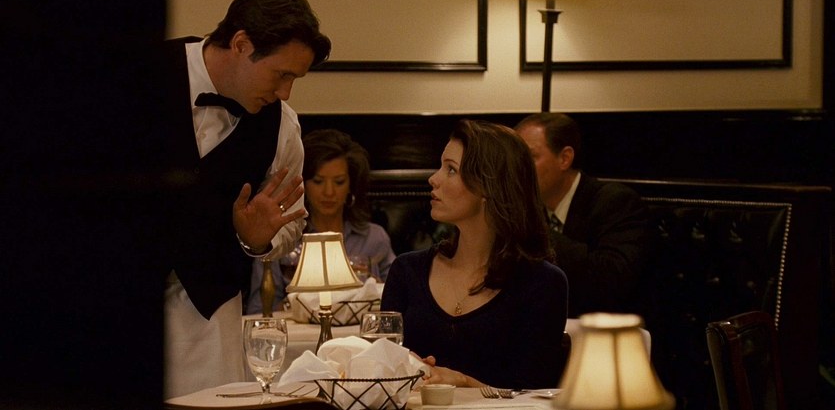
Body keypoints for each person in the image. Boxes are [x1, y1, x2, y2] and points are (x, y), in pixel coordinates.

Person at [157, 0, 331, 399]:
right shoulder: (129, 76)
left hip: (207, 325)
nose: (285, 93)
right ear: (240, 44)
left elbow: (290, 223)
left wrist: (257, 240)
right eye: (282, 74)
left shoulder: (281, 126)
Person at [381, 119, 568, 390]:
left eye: (451, 169)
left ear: (488, 186)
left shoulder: (542, 284)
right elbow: (381, 374)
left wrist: (462, 381)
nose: (433, 178)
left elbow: (534, 394)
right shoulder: (407, 271)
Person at [514, 113, 652, 318]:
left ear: (565, 158)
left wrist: (534, 231)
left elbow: (611, 280)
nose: (517, 168)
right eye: (515, 158)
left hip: (604, 329)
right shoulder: (527, 208)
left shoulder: (615, 202)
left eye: (530, 157)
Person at [247, 129, 396, 315]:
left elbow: (398, 303)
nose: (329, 192)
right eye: (318, 181)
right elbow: (258, 310)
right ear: (303, 185)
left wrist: (372, 289)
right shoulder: (282, 239)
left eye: (339, 182)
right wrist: (301, 301)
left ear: (351, 185)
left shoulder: (374, 238)